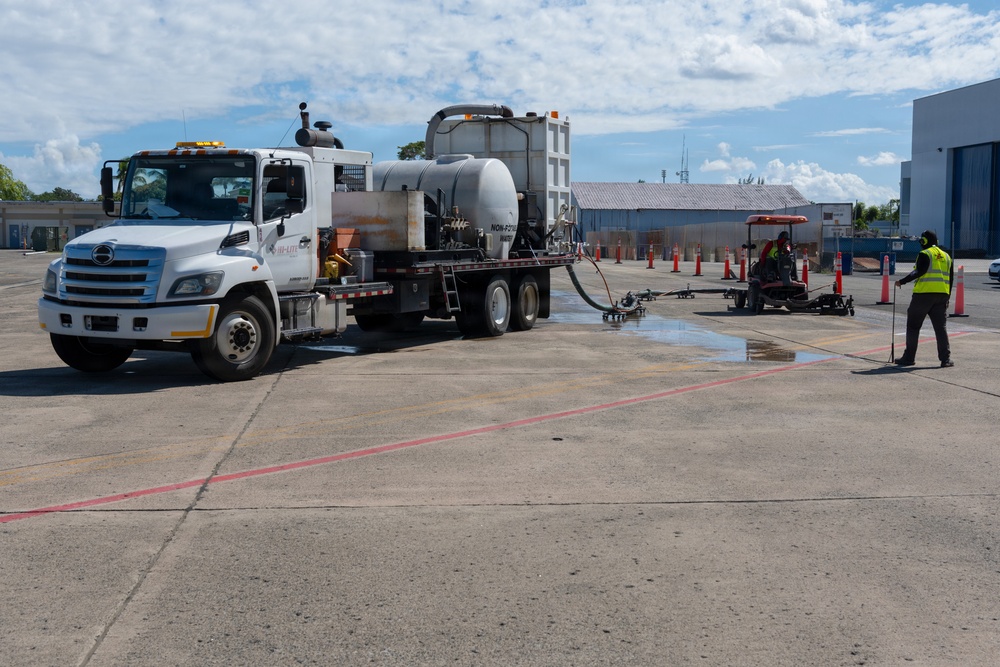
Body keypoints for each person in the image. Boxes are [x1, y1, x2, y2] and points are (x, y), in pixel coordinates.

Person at [894, 229, 954, 367]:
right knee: (940, 328)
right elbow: (950, 279)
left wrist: (902, 281)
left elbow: (919, 271)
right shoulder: (946, 256)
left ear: (924, 241)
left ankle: (909, 358)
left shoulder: (925, 254)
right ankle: (945, 359)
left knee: (913, 327)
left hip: (923, 295)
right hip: (942, 296)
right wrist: (947, 297)